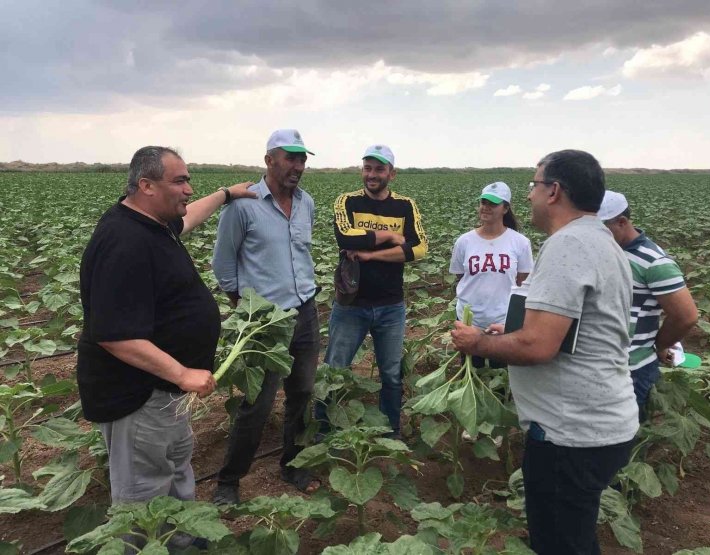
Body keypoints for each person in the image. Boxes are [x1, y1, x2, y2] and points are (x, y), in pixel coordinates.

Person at [451, 150, 639, 554]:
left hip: (571, 433)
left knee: (561, 543)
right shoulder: (601, 240)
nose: (531, 195)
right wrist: (515, 328)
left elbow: (539, 346)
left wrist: (478, 342)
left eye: (534, 185)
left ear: (554, 191)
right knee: (573, 535)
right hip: (595, 424)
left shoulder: (568, 244)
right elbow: (572, 329)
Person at [76, 146, 255, 549]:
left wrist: (227, 193)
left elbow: (188, 217)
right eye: (180, 181)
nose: (189, 189)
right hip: (137, 396)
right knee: (143, 495)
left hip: (162, 396)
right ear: (146, 185)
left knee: (174, 469)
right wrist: (181, 373)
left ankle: (182, 540)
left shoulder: (152, 222)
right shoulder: (123, 242)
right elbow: (114, 333)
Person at [210, 129, 321, 505]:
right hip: (266, 320)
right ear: (269, 159)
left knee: (302, 393)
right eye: (290, 157)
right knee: (256, 403)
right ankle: (229, 481)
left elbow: (300, 256)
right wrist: (247, 307)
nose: (297, 165)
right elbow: (223, 265)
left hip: (306, 311)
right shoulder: (243, 206)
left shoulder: (307, 204)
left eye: (302, 158)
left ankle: (293, 464)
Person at [320, 144, 428, 437]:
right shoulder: (348, 202)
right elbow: (344, 236)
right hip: (351, 303)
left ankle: (390, 432)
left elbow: (419, 248)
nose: (371, 174)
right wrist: (391, 237)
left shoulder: (405, 205)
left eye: (379, 169)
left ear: (391, 174)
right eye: (367, 167)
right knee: (333, 371)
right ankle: (322, 432)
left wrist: (370, 254)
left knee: (391, 375)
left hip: (391, 305)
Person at [598, 190, 698, 421]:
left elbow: (686, 316)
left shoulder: (653, 261)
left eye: (601, 229)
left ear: (621, 222)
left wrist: (658, 344)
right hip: (599, 363)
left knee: (629, 437)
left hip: (632, 368)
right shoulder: (606, 251)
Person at [449, 181, 533, 369]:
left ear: (505, 208)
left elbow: (522, 282)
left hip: (502, 321)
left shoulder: (520, 243)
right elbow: (460, 278)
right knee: (470, 375)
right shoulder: (464, 241)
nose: (486, 207)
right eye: (483, 202)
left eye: (493, 204)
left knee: (500, 378)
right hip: (470, 320)